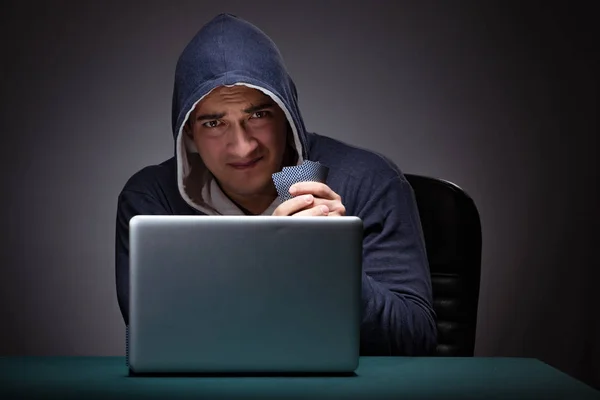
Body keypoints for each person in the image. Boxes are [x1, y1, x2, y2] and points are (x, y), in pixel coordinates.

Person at [115, 13, 437, 356]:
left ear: (287, 112)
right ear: (190, 131)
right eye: (214, 123)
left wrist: (331, 265)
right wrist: (273, 263)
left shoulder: (367, 180)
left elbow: (416, 339)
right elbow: (155, 343)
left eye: (258, 115)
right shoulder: (152, 199)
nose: (242, 146)